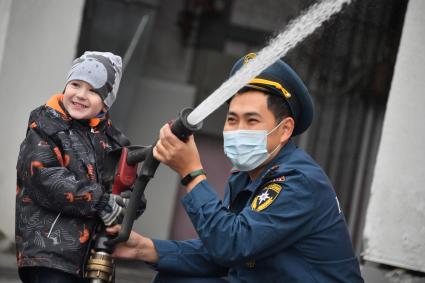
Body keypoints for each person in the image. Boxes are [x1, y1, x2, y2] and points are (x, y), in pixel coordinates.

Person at [108, 53, 364, 282]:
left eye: (252, 120)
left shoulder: (298, 181)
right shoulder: (245, 177)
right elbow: (224, 256)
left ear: (284, 129)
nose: (238, 129)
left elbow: (231, 245)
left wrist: (192, 172)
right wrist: (144, 247)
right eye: (232, 119)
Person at [15, 51, 145, 283]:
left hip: (94, 258)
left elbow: (129, 188)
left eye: (93, 90)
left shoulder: (114, 142)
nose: (81, 95)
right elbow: (45, 177)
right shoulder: (45, 127)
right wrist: (101, 202)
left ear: (107, 100)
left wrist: (127, 203)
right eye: (76, 84)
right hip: (49, 255)